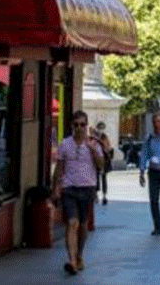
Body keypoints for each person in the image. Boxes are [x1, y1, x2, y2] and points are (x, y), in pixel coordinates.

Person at [51, 111, 104, 275]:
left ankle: (79, 255)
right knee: (72, 223)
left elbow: (101, 165)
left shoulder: (93, 144)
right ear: (71, 126)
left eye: (82, 124)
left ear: (86, 126)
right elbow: (59, 168)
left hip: (87, 188)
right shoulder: (65, 144)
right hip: (69, 189)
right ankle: (72, 260)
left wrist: (93, 150)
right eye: (76, 125)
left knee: (82, 225)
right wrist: (56, 188)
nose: (79, 128)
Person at [93, 122, 113, 205]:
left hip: (104, 160)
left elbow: (109, 147)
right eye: (99, 128)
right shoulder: (94, 137)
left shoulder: (105, 137)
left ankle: (104, 196)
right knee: (96, 177)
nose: (101, 130)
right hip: (97, 159)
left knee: (104, 178)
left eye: (102, 128)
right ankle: (96, 195)